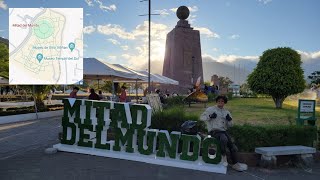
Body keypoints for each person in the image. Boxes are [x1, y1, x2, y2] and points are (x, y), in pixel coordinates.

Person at [200, 95, 248, 171]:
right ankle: (223, 156)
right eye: (219, 101)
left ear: (224, 103)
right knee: (224, 139)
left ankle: (235, 164)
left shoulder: (226, 112)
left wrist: (229, 120)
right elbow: (202, 117)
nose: (220, 102)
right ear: (216, 102)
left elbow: (231, 125)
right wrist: (210, 116)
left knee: (233, 147)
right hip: (213, 131)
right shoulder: (211, 109)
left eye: (222, 101)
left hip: (223, 131)